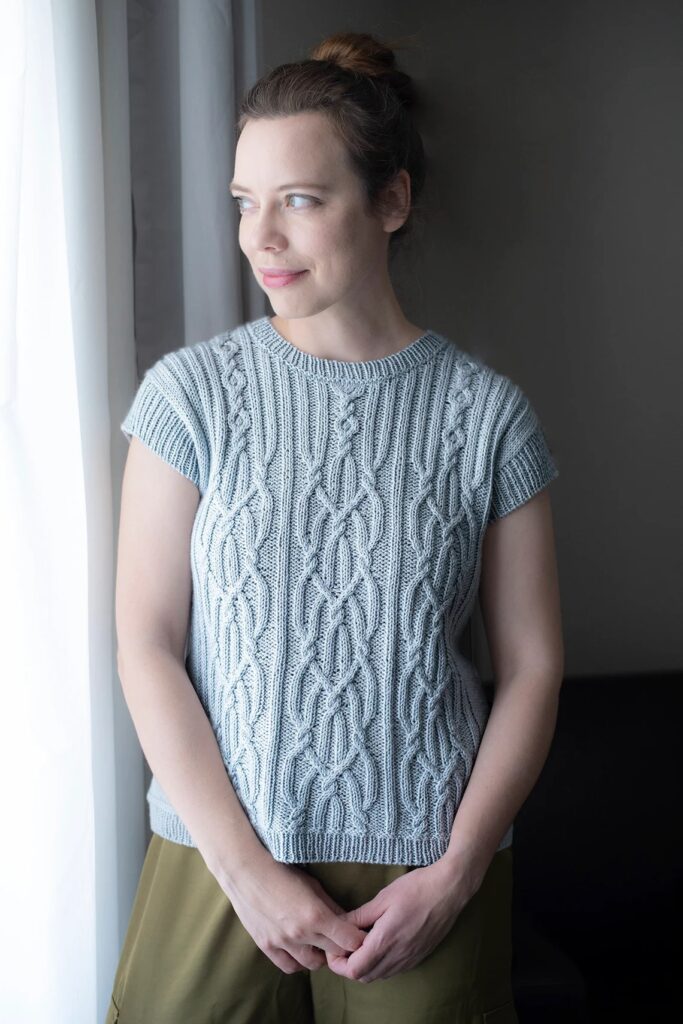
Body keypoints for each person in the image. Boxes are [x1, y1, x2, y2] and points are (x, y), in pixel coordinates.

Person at [106, 30, 563, 1024]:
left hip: (426, 872)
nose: (260, 238)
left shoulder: (486, 418)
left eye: (300, 201)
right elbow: (146, 642)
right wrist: (245, 871)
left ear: (390, 201)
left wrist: (456, 871)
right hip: (218, 854)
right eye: (245, 202)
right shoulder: (191, 399)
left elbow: (531, 666)